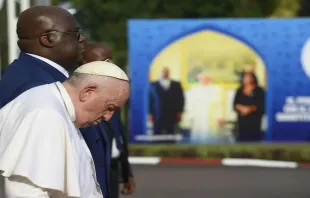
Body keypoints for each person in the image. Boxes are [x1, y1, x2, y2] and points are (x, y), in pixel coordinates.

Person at [0, 6, 111, 198]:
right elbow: (29, 183)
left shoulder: (45, 77)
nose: (82, 39)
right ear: (48, 39)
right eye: (75, 33)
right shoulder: (34, 86)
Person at [0, 61, 130, 198]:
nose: (108, 117)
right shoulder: (46, 115)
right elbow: (27, 192)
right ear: (88, 92)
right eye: (110, 107)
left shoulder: (55, 105)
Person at [83, 43, 135, 198]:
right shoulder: (81, 100)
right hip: (92, 172)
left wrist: (127, 174)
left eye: (110, 61)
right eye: (104, 62)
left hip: (112, 168)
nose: (110, 67)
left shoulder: (114, 92)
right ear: (86, 65)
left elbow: (118, 135)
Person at [149, 67, 184, 139]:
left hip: (172, 113)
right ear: (161, 73)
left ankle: (171, 148)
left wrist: (180, 111)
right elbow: (150, 100)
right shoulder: (153, 85)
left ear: (169, 73)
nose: (165, 73)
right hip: (158, 113)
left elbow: (181, 99)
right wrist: (150, 113)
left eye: (167, 72)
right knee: (157, 134)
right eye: (163, 71)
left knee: (171, 133)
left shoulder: (177, 84)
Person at [233, 72, 265, 142]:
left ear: (253, 78)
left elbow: (261, 105)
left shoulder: (259, 91)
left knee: (253, 139)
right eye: (245, 77)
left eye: (248, 77)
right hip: (242, 121)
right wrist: (241, 108)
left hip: (254, 121)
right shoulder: (239, 90)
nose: (246, 79)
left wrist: (250, 109)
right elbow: (235, 104)